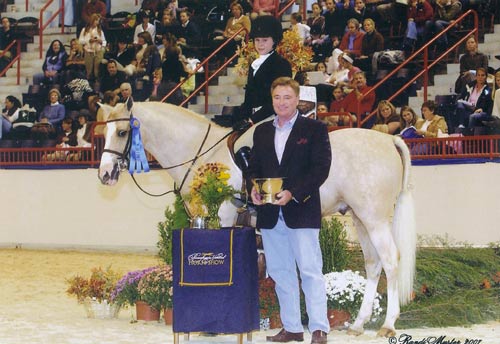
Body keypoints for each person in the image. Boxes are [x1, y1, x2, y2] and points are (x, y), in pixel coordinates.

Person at [247, 77, 331, 344]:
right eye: (277, 98)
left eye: (287, 97)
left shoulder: (315, 129)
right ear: (272, 100)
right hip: (271, 215)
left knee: (309, 270)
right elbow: (254, 168)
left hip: (301, 211)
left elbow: (321, 169)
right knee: (281, 272)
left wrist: (293, 192)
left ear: (297, 100)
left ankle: (319, 328)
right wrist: (253, 187)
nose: (281, 102)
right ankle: (292, 327)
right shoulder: (260, 132)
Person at [238, 15, 292, 125]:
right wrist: (241, 117)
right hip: (253, 118)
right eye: (257, 40)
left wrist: (253, 119)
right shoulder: (254, 65)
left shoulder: (281, 64)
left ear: (274, 41)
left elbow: (278, 100)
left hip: (273, 117)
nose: (260, 44)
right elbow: (249, 97)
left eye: (265, 40)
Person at [456, 67, 493, 134]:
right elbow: (460, 97)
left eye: (482, 75)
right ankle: (461, 125)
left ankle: (470, 135)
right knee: (459, 104)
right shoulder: (470, 86)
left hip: (479, 110)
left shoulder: (487, 90)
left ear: (486, 77)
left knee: (473, 116)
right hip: (468, 107)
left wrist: (482, 109)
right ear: (476, 76)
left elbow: (488, 104)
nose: (480, 77)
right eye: (478, 75)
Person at [79, 13, 107, 81]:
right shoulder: (85, 30)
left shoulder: (100, 31)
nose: (97, 22)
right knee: (89, 70)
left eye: (98, 21)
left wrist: (100, 41)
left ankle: (97, 84)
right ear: (92, 20)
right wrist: (89, 40)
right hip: (88, 51)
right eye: (96, 20)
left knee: (97, 70)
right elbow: (80, 40)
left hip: (98, 51)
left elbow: (104, 42)